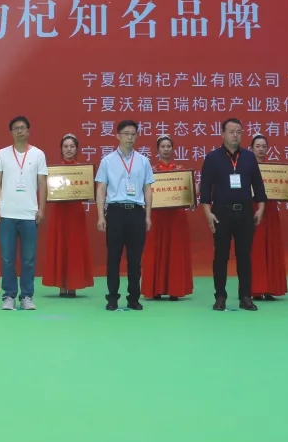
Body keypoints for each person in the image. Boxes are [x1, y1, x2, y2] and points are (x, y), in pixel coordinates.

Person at [199, 118, 266, 311]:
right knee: (221, 256)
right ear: (222, 134)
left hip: (245, 213)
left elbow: (258, 185)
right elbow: (205, 188)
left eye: (239, 131)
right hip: (221, 213)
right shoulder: (213, 158)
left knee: (244, 256)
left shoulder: (249, 157)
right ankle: (220, 296)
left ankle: (245, 297)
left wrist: (261, 207)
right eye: (231, 131)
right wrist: (208, 213)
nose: (235, 135)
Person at [96, 119, 154, 311]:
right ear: (117, 136)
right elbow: (101, 189)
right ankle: (112, 297)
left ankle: (133, 298)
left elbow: (147, 189)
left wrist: (148, 215)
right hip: (115, 212)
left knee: (135, 259)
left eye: (133, 134)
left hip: (136, 212)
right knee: (113, 257)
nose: (130, 137)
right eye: (126, 134)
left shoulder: (143, 161)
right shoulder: (107, 161)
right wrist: (101, 216)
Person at [0, 116, 48, 310]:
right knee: (7, 258)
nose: (20, 131)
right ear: (11, 132)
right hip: (6, 213)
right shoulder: (2, 154)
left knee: (28, 259)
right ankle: (8, 296)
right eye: (16, 128)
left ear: (29, 131)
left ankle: (26, 296)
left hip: (29, 214)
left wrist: (41, 208)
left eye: (23, 127)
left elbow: (42, 183)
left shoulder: (38, 154)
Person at [41, 134, 94, 298]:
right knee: (60, 244)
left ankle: (73, 285)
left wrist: (89, 193)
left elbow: (89, 192)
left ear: (76, 149)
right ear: (61, 149)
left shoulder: (82, 171)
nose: (69, 149)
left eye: (72, 146)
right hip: (59, 212)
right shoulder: (55, 170)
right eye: (65, 146)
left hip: (75, 213)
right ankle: (61, 285)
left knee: (74, 246)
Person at [142, 135, 194, 301]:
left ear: (173, 149)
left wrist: (191, 196)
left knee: (175, 251)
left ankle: (175, 289)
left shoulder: (180, 170)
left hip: (176, 216)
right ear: (157, 150)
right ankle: (156, 289)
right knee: (155, 250)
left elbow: (187, 191)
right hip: (156, 216)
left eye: (168, 146)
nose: (166, 149)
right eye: (163, 146)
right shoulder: (151, 171)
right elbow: (144, 191)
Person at [248, 134, 288, 300]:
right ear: (251, 148)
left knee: (271, 247)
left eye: (264, 146)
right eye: (257, 146)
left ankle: (270, 288)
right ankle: (257, 289)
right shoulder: (246, 167)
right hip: (252, 209)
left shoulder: (272, 169)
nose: (261, 149)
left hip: (270, 211)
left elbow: (283, 188)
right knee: (255, 249)